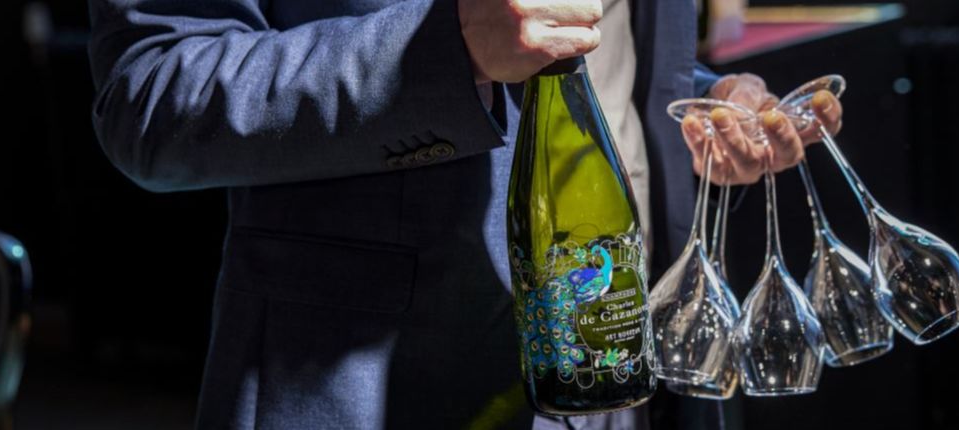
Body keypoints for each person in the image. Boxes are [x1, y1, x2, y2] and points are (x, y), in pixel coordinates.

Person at [87, 0, 842, 428]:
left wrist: (699, 108)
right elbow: (149, 94)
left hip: (635, 369)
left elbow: (605, 56)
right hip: (386, 388)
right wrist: (445, 50)